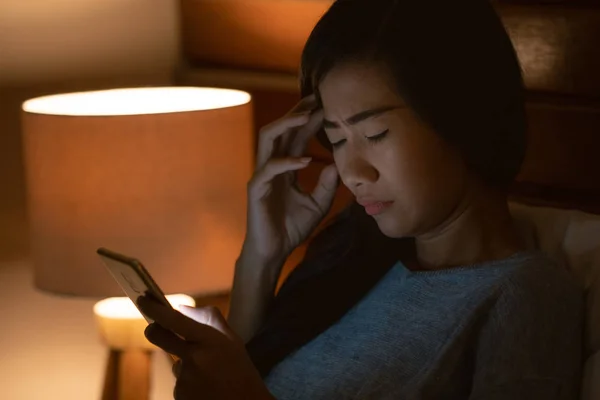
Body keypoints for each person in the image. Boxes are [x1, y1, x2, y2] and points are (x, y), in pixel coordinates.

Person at [137, 0, 584, 398]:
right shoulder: (357, 260)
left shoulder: (523, 295)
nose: (352, 173)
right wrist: (261, 256)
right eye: (335, 139)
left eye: (375, 133)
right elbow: (253, 372)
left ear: (462, 117)